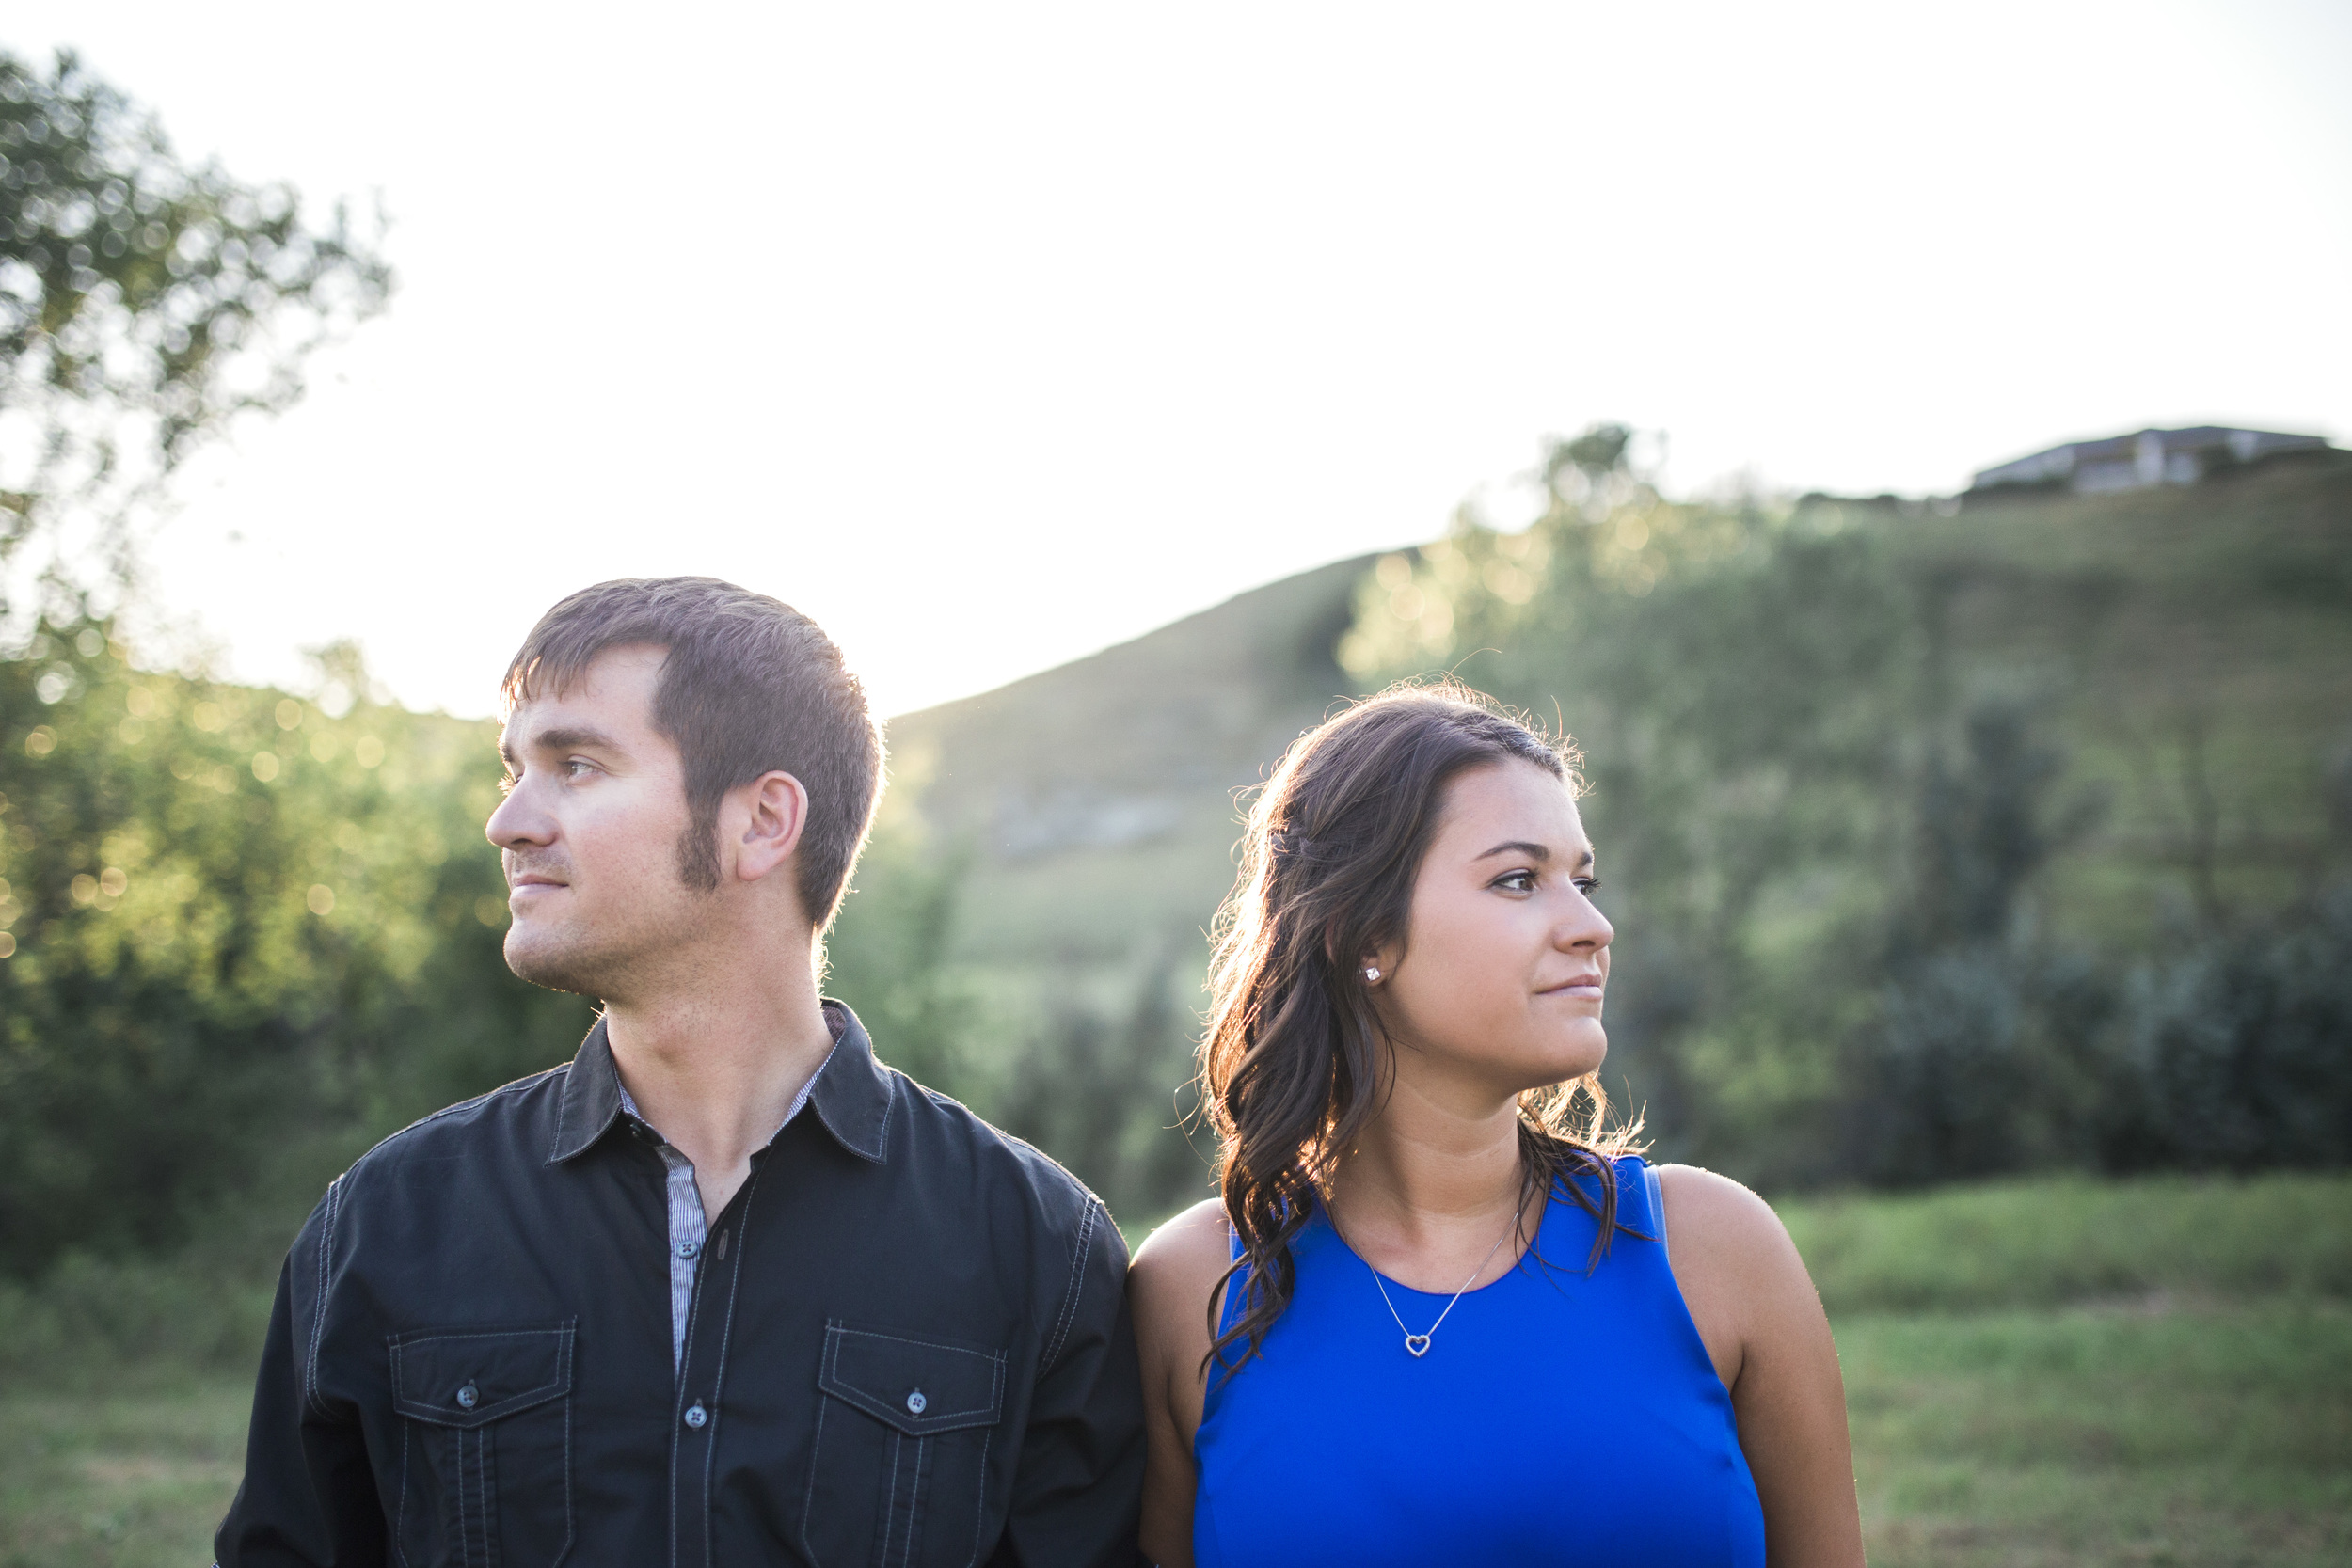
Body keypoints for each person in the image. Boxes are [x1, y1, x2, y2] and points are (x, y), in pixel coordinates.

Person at [215, 577, 1145, 1567]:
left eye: (575, 764)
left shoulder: (1036, 1246)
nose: (510, 822)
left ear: (760, 821)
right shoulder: (382, 1223)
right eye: (513, 770)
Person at [1128, 682, 1865, 1567]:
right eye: (1519, 879)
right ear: (1364, 933)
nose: (1594, 926)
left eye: (1582, 881)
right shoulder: (1190, 1290)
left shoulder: (1714, 1251)